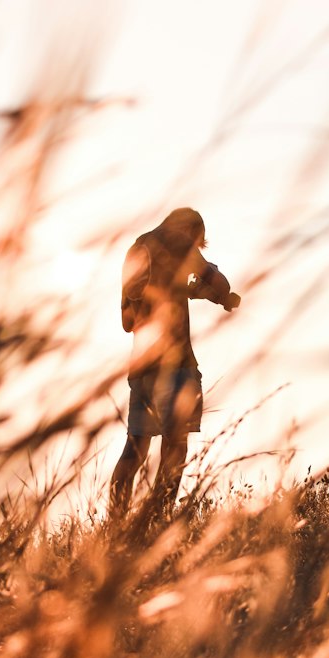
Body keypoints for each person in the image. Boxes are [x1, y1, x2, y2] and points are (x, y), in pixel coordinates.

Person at [109, 207, 240, 518]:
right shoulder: (178, 243)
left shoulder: (136, 250)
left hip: (141, 369)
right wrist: (215, 289)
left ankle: (115, 525)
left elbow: (128, 321)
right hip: (176, 365)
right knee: (175, 446)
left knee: (135, 449)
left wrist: (189, 289)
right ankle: (156, 521)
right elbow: (219, 283)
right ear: (190, 232)